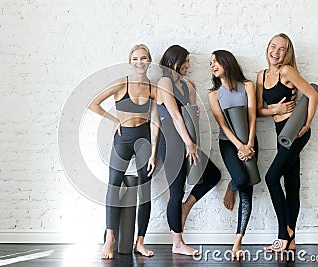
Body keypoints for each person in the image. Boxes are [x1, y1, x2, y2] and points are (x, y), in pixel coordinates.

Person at [87, 44, 160, 259]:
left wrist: (154, 150)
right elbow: (93, 104)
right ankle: (110, 238)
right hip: (123, 139)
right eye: (136, 58)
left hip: (144, 139)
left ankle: (140, 242)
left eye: (144, 58)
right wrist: (114, 119)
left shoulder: (153, 88)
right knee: (113, 184)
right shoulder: (121, 84)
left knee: (144, 189)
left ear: (149, 61)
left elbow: (155, 120)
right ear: (130, 61)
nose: (140, 61)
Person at [256, 33, 318, 252]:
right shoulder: (261, 76)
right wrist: (275, 109)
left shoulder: (287, 70)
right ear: (267, 48)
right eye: (273, 47)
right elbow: (257, 110)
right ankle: (291, 242)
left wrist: (307, 123)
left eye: (282, 49)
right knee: (291, 184)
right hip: (279, 131)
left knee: (272, 177)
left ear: (287, 52)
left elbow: (313, 95)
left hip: (295, 132)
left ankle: (284, 234)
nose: (276, 52)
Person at [156, 45, 221, 256]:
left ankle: (186, 207)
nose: (187, 65)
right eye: (184, 61)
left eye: (188, 61)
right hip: (172, 141)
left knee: (213, 174)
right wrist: (189, 143)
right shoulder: (164, 82)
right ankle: (177, 242)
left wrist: (194, 137)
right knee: (176, 191)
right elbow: (175, 116)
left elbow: (190, 115)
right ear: (171, 61)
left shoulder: (188, 85)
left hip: (186, 140)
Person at [207, 50, 258, 258]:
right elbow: (222, 124)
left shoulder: (248, 86)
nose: (212, 65)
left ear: (227, 62)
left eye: (215, 61)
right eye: (210, 63)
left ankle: (238, 241)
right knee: (241, 178)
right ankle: (231, 186)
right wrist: (239, 146)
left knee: (248, 188)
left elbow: (253, 115)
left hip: (250, 140)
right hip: (228, 143)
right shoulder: (213, 94)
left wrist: (250, 142)